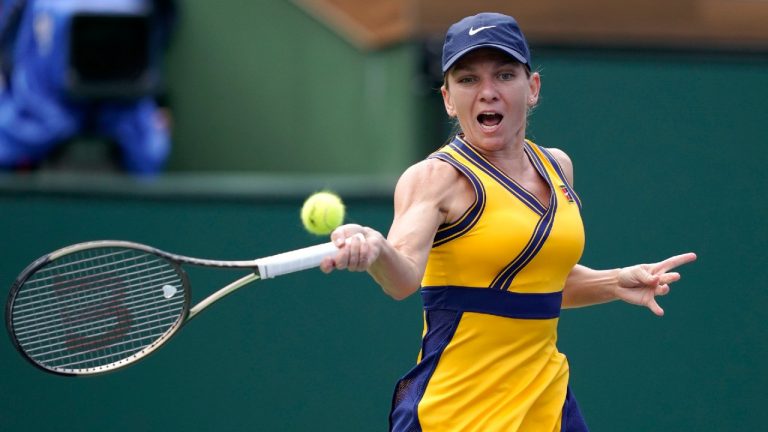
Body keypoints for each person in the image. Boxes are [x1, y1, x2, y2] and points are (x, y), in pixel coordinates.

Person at [320, 12, 697, 432]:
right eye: (467, 80)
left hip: (548, 406)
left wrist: (614, 281)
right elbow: (403, 277)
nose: (487, 93)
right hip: (457, 414)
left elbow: (536, 281)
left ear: (532, 87)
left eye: (503, 75)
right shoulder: (434, 178)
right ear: (447, 98)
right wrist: (375, 249)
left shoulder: (558, 167)